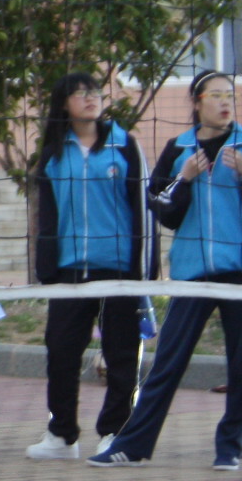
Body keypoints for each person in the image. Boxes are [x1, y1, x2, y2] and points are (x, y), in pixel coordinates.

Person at [91, 71, 242, 469]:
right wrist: (185, 178)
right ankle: (134, 444)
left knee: (241, 363)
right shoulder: (177, 148)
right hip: (193, 271)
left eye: (229, 94)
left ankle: (230, 447)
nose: (225, 101)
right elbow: (165, 212)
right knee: (168, 360)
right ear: (197, 101)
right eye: (215, 95)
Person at [24, 73, 156, 461]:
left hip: (118, 270)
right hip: (68, 271)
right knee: (60, 352)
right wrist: (45, 270)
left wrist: (142, 273)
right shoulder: (53, 153)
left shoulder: (124, 145)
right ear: (64, 103)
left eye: (95, 92)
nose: (90, 99)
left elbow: (142, 210)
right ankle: (62, 434)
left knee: (121, 354)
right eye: (80, 94)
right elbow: (46, 216)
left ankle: (115, 431)